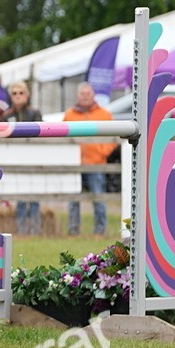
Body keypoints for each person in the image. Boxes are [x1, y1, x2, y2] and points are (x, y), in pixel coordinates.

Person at [63, 82, 115, 236]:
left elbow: (112, 138)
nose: (85, 96)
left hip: (96, 163)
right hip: (75, 163)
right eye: (82, 93)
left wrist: (102, 152)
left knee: (99, 199)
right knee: (73, 199)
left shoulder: (105, 114)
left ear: (93, 95)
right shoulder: (69, 115)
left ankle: (100, 231)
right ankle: (73, 230)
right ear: (77, 96)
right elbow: (62, 137)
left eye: (88, 93)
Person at [4, 81, 43, 235]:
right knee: (19, 196)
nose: (18, 96)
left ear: (27, 95)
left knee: (35, 196)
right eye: (14, 93)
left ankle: (35, 230)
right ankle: (21, 231)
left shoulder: (35, 113)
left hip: (33, 158)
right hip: (15, 160)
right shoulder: (6, 115)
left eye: (21, 93)